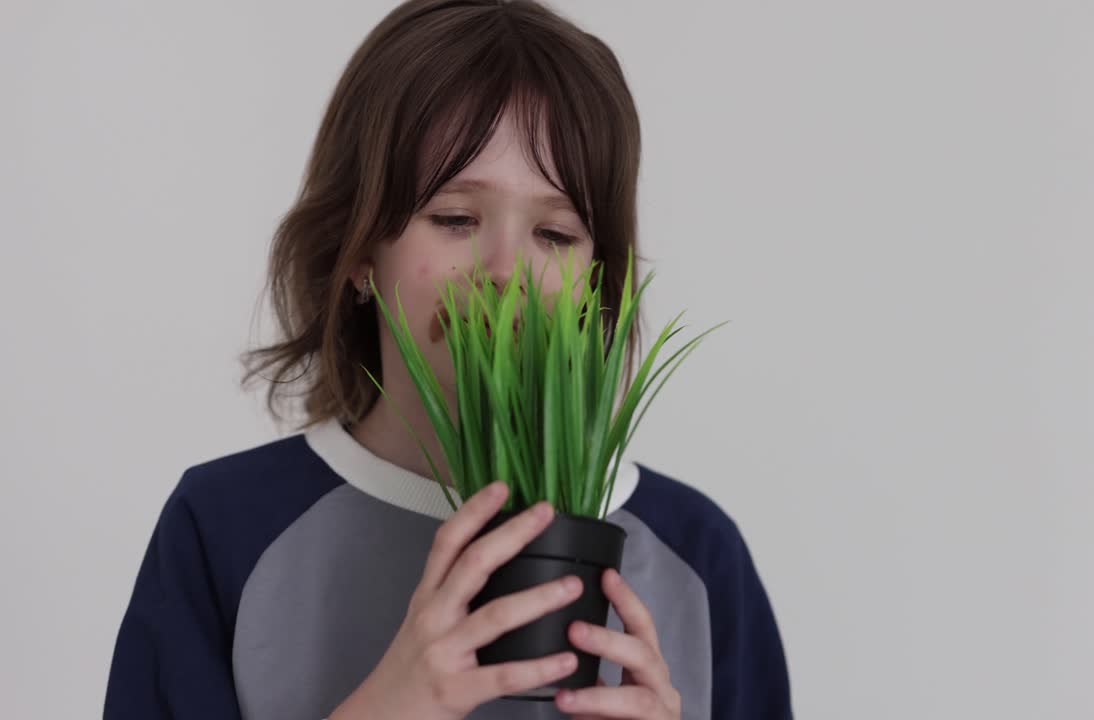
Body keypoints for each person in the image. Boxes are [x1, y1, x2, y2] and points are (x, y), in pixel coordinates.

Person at [102, 1, 792, 718]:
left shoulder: (695, 554)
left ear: (597, 280)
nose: (505, 271)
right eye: (455, 219)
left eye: (556, 233)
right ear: (359, 250)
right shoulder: (224, 528)